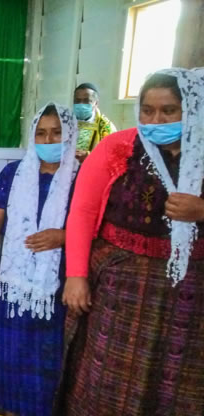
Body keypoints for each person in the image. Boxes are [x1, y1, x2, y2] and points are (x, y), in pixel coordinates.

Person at [59, 68, 204, 415]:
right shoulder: (118, 147)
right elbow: (82, 211)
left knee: (182, 385)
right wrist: (76, 276)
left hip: (191, 292)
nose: (156, 120)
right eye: (147, 110)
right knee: (108, 378)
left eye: (169, 111)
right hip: (120, 288)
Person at [0, 103, 78, 416]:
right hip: (11, 282)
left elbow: (98, 229)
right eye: (41, 133)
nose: (48, 141)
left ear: (70, 135)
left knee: (49, 361)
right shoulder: (13, 174)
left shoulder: (83, 178)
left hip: (59, 287)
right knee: (8, 355)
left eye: (57, 133)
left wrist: (64, 236)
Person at [73, 82, 116, 162]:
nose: (81, 104)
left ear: (96, 103)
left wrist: (89, 156)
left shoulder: (105, 127)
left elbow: (112, 154)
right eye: (77, 100)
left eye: (86, 101)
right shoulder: (66, 121)